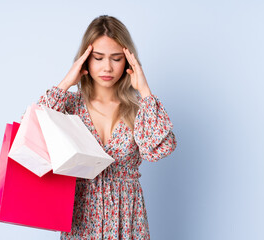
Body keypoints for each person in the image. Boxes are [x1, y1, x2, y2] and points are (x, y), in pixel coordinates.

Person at [38, 15, 177, 240]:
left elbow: (160, 149)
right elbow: (33, 130)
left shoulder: (139, 109)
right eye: (98, 57)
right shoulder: (70, 106)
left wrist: (145, 91)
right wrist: (65, 83)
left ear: (128, 62)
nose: (108, 67)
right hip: (81, 217)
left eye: (116, 58)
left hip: (127, 217)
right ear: (85, 60)